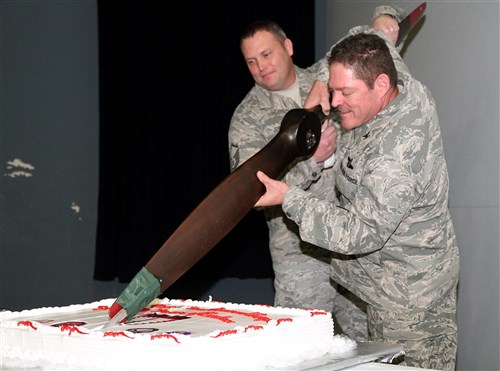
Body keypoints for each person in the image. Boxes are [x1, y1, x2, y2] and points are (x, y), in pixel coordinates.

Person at [254, 27, 460, 371]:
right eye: (333, 91)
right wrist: (323, 78)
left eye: (345, 92)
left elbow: (359, 232)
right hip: (388, 288)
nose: (334, 103)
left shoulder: (394, 154)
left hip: (409, 305)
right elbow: (365, 32)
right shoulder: (402, 83)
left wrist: (290, 198)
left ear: (380, 85)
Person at [228, 6, 404, 341]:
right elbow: (251, 193)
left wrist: (386, 16)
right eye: (251, 61)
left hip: (354, 245)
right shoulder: (247, 119)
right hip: (300, 254)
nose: (261, 66)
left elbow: (366, 40)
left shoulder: (329, 79)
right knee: (299, 350)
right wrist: (312, 161)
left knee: (371, 347)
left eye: (266, 54)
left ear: (288, 47)